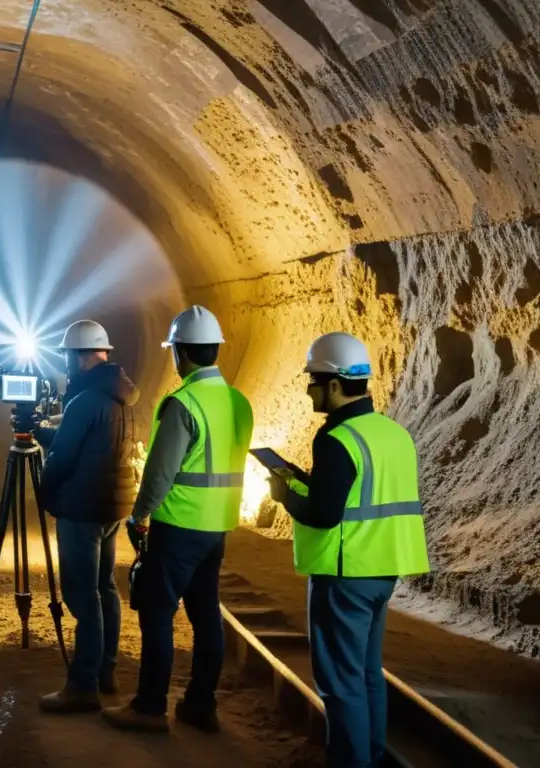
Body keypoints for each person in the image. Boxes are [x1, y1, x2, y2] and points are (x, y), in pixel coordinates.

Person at [267, 332, 430, 768]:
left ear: (335, 385)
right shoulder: (392, 433)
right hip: (382, 571)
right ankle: (370, 757)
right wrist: (308, 481)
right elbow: (361, 493)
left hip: (345, 573)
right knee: (366, 674)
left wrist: (285, 496)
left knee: (340, 682)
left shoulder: (336, 438)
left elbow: (323, 514)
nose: (308, 390)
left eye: (314, 381)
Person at [102, 305, 253, 733]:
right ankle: (201, 704)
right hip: (216, 526)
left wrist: (139, 516)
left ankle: (150, 707)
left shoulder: (182, 402)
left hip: (178, 525)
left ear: (180, 353)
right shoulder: (238, 402)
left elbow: (161, 472)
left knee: (157, 612)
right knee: (206, 614)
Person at [36, 319, 140, 713]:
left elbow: (63, 458)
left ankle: (81, 686)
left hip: (82, 509)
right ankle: (105, 671)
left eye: (67, 355)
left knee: (83, 595)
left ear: (82, 357)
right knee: (105, 589)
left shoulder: (84, 401)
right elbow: (91, 440)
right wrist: (45, 432)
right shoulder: (120, 396)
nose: (65, 363)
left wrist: (48, 497)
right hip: (113, 507)